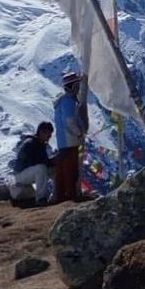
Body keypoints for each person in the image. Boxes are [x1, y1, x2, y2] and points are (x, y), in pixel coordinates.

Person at [52, 73, 87, 204]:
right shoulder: (68, 102)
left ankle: (62, 195)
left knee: (64, 170)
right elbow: (70, 121)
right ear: (71, 87)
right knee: (70, 170)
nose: (78, 89)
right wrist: (79, 133)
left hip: (62, 142)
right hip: (70, 140)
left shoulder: (62, 102)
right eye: (76, 86)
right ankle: (71, 196)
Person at [10, 122, 55, 205]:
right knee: (41, 168)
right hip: (20, 174)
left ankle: (56, 195)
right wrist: (50, 161)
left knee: (54, 169)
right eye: (48, 134)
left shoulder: (41, 144)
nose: (50, 137)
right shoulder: (30, 143)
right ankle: (40, 198)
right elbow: (32, 162)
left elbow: (42, 161)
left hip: (30, 172)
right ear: (41, 132)